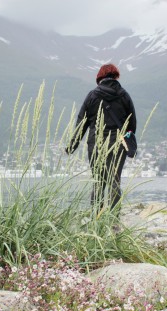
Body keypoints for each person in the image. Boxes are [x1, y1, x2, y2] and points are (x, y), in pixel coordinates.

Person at [65, 63, 137, 213]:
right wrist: (128, 141)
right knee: (115, 180)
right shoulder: (124, 95)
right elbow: (132, 124)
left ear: (100, 77)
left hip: (96, 142)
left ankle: (96, 220)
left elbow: (81, 123)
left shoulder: (92, 95)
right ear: (116, 76)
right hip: (118, 142)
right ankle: (114, 219)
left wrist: (72, 145)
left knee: (98, 180)